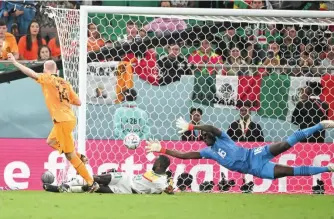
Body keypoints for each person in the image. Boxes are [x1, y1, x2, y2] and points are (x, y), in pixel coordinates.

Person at [7, 53, 99, 193]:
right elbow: (78, 102)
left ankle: (91, 182)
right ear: (57, 70)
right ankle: (80, 157)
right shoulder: (64, 82)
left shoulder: (47, 78)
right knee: (50, 141)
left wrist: (15, 62)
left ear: (45, 70)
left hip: (62, 120)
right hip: (69, 118)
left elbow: (31, 73)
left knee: (69, 155)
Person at [145, 117, 334, 180]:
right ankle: (328, 168)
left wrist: (193, 127)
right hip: (256, 169)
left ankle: (320, 126)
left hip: (255, 154)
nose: (203, 138)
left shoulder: (222, 136)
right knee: (293, 172)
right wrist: (161, 148)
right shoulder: (207, 152)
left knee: (285, 144)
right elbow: (183, 156)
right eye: (201, 137)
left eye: (204, 135)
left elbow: (210, 128)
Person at [43, 155, 174, 195]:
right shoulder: (158, 173)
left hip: (128, 190)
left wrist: (169, 189)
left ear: (160, 165)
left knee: (94, 188)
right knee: (95, 178)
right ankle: (64, 185)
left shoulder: (161, 181)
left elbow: (166, 189)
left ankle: (61, 189)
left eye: (156, 161)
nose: (153, 162)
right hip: (126, 178)